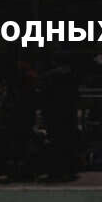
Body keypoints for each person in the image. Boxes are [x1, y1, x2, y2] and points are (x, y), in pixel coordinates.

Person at [41, 53, 80, 181]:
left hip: (54, 113)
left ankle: (55, 170)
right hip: (68, 112)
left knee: (54, 142)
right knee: (68, 141)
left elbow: (45, 96)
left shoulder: (49, 76)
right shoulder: (72, 75)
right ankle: (68, 169)